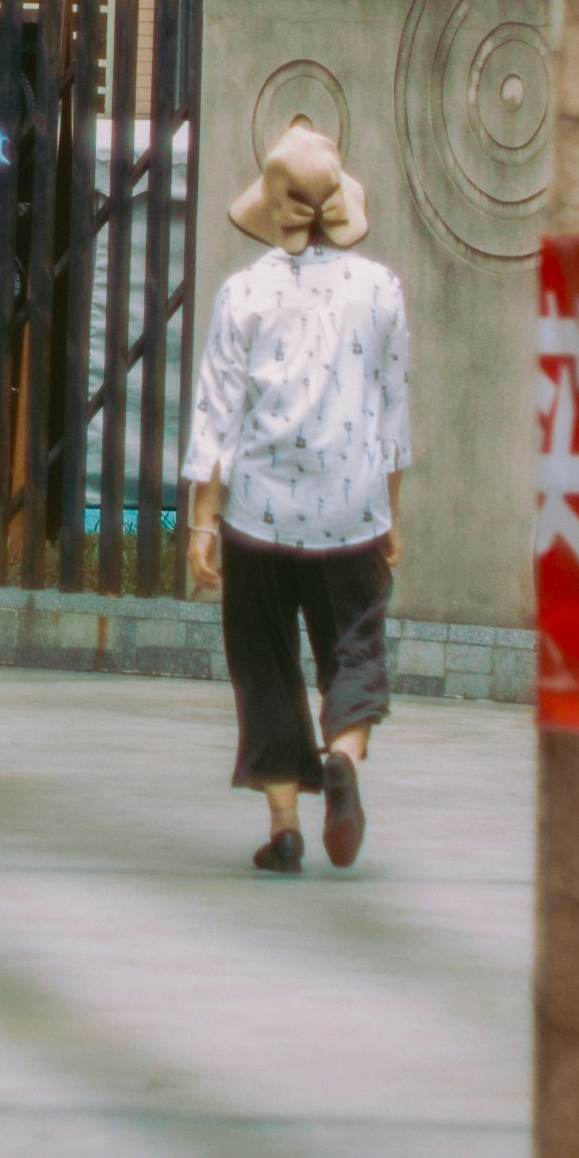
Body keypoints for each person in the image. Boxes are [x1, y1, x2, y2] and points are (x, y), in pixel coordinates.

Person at [183, 121, 412, 875]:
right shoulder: (380, 289)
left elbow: (215, 413)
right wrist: (392, 517)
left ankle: (285, 828)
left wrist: (202, 521)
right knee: (354, 649)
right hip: (351, 508)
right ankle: (342, 754)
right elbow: (392, 410)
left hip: (257, 510)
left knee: (264, 661)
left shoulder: (243, 293)